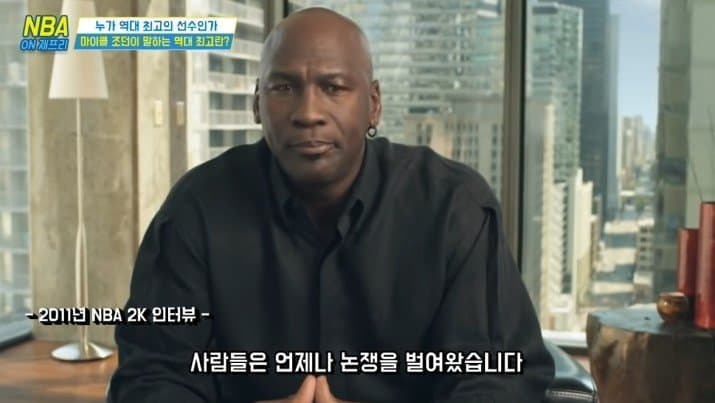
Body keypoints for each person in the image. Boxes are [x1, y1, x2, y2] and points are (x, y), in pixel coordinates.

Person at [108, 7, 554, 403]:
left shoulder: (453, 208)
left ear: (373, 105)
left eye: (333, 87)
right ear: (257, 105)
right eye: (284, 87)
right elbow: (151, 376)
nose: (308, 112)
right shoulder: (196, 209)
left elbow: (500, 380)